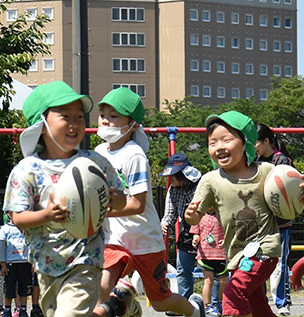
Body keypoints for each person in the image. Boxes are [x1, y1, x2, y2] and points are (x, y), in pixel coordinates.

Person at [3, 81, 129, 316]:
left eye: (79, 117)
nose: (74, 124)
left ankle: (115, 306)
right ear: (42, 124)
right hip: (46, 265)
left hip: (85, 260)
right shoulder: (27, 170)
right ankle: (117, 306)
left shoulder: (94, 163)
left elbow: (122, 199)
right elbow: (17, 217)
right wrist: (47, 215)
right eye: (65, 116)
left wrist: (115, 199)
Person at [183, 111, 304, 317]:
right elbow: (194, 217)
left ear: (246, 142)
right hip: (236, 256)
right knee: (257, 307)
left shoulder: (267, 171)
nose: (219, 147)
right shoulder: (210, 180)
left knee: (232, 295)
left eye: (227, 140)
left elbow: (296, 188)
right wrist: (190, 214)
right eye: (212, 143)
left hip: (264, 250)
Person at [90, 87, 204, 317]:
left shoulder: (134, 155)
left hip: (144, 240)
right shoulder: (99, 152)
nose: (105, 121)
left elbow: (137, 205)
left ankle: (195, 309)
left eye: (114, 116)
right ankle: (124, 302)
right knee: (100, 289)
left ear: (132, 124)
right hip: (114, 239)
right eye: (102, 115)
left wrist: (100, 212)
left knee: (160, 302)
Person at [255, 124, 295, 316]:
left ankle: (282, 303)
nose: (253, 147)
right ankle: (260, 302)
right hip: (260, 223)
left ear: (267, 141)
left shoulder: (282, 161)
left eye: (255, 142)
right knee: (258, 262)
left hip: (281, 222)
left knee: (280, 263)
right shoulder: (255, 162)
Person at [159, 153, 204, 304]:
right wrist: (165, 224)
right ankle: (186, 304)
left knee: (211, 272)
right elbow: (170, 214)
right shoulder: (173, 190)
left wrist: (199, 232)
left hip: (206, 233)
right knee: (183, 271)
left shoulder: (201, 186)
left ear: (182, 175)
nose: (170, 178)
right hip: (186, 234)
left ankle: (213, 305)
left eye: (173, 175)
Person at [191, 209, 229, 316]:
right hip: (204, 254)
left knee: (224, 281)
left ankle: (221, 303)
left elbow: (230, 230)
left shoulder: (223, 212)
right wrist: (195, 239)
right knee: (208, 281)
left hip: (221, 254)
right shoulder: (199, 215)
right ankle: (207, 306)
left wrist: (225, 240)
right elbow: (196, 233)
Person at [0, 206, 33, 317]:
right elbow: (1, 247)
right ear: (7, 213)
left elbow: (31, 244)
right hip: (10, 263)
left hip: (25, 262)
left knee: (24, 288)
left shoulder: (27, 227)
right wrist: (3, 264)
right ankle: (7, 309)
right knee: (10, 288)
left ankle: (23, 309)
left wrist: (32, 261)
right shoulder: (5, 229)